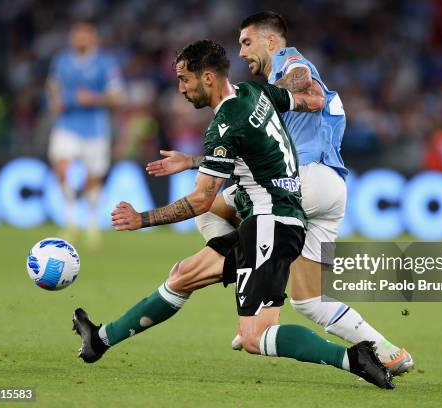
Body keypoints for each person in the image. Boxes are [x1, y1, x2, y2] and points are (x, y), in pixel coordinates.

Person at [72, 39, 394, 390]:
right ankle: (99, 340)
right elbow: (313, 101)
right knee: (184, 275)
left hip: (270, 226)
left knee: (255, 337)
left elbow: (200, 200)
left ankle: (353, 358)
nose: (180, 88)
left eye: (185, 80)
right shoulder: (255, 93)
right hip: (267, 221)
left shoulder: (225, 124)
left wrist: (142, 219)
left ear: (207, 77)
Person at [146, 11, 413, 375]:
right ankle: (388, 351)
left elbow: (305, 84)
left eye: (246, 42)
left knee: (212, 209)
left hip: (303, 180)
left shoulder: (289, 62)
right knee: (311, 300)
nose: (240, 53)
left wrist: (274, 91)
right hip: (331, 189)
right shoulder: (269, 91)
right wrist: (194, 160)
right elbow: (241, 152)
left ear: (271, 41)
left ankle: (252, 297)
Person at [47, 19, 124, 249]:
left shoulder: (105, 63)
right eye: (76, 34)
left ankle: (91, 223)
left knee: (93, 179)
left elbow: (117, 96)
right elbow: (53, 86)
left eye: (84, 34)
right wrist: (54, 99)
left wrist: (95, 99)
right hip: (67, 125)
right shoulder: (61, 61)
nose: (79, 38)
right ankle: (70, 220)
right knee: (61, 167)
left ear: (93, 37)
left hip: (95, 129)